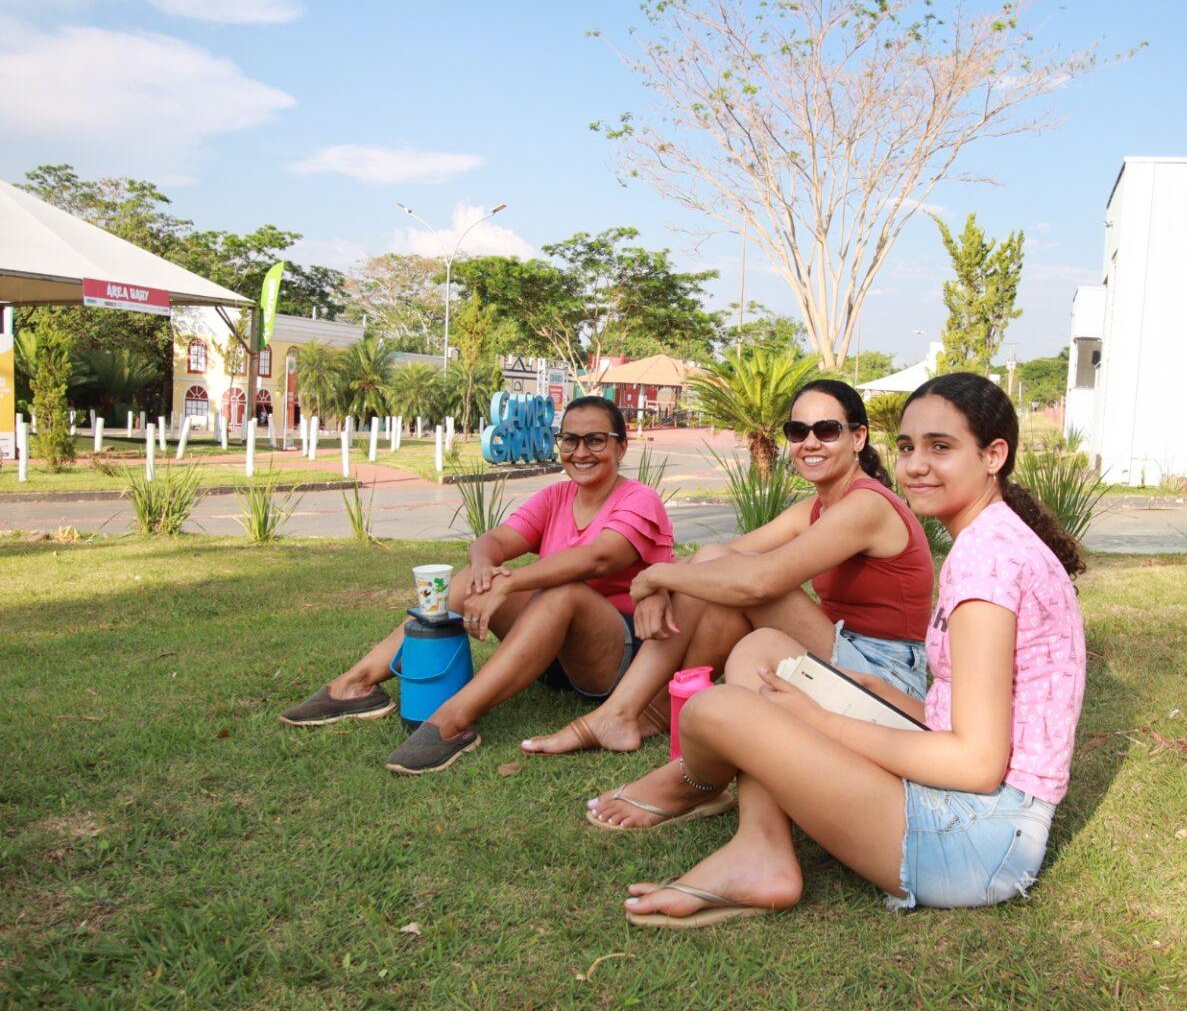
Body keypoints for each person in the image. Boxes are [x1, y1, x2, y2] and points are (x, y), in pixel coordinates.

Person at [618, 372, 1087, 927]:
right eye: (909, 446)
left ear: (993, 455)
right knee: (761, 654)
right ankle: (760, 847)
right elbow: (974, 717)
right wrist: (881, 692)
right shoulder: (991, 539)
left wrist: (823, 721)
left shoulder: (987, 562)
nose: (915, 465)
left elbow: (977, 764)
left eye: (941, 447)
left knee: (718, 708)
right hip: (986, 817)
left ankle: (703, 792)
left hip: (977, 842)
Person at [559, 379, 935, 831]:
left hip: (885, 677)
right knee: (720, 579)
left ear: (858, 438)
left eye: (827, 430)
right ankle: (643, 713)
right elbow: (724, 555)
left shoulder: (867, 507)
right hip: (847, 653)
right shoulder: (816, 508)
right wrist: (663, 581)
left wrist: (655, 575)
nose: (809, 442)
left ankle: (630, 717)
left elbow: (762, 582)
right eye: (798, 431)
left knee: (731, 577)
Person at [277, 396, 674, 775]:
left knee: (564, 591)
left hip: (615, 659)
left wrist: (511, 581)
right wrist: (485, 569)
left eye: (596, 440)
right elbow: (494, 541)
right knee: (472, 580)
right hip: (550, 649)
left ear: (621, 448)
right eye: (570, 439)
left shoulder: (640, 499)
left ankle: (452, 720)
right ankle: (356, 685)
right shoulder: (557, 496)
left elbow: (599, 558)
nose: (581, 452)